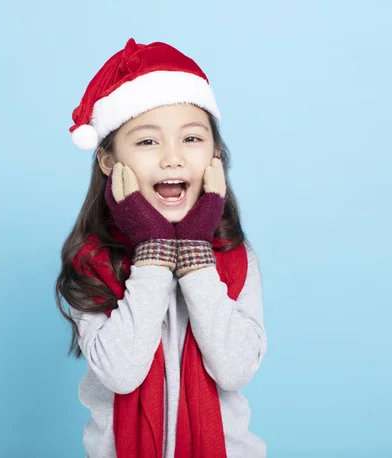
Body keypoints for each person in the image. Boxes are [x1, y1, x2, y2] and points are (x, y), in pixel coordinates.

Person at [55, 37, 267, 458]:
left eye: (191, 139)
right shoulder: (93, 262)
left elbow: (235, 368)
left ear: (215, 155)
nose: (172, 158)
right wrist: (152, 252)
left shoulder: (236, 259)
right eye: (148, 142)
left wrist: (194, 254)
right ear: (108, 161)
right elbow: (121, 372)